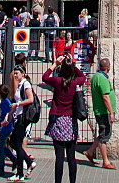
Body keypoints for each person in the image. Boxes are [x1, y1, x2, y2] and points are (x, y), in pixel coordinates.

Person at [42, 54, 85, 183]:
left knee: (59, 157)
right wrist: (73, 64)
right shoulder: (75, 82)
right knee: (71, 157)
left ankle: (58, 181)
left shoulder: (57, 81)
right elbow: (83, 77)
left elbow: (44, 77)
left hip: (57, 119)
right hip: (70, 120)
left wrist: (55, 64)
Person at [84, 57, 117, 170]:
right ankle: (105, 161)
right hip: (103, 112)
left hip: (99, 110)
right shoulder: (102, 79)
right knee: (104, 136)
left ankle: (90, 151)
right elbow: (105, 96)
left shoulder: (95, 77)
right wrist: (111, 112)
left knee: (102, 133)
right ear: (108, 67)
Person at [8, 65, 36, 182]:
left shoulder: (26, 84)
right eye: (14, 73)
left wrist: (17, 105)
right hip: (17, 116)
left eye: (17, 73)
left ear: (23, 73)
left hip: (23, 117)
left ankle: (20, 173)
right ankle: (29, 162)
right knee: (15, 143)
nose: (15, 75)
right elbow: (17, 102)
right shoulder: (20, 85)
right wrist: (9, 116)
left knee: (16, 143)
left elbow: (30, 99)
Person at [0, 84, 17, 178]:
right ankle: (13, 159)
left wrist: (5, 121)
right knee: (2, 147)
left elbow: (8, 113)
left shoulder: (4, 103)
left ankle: (1, 169)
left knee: (0, 149)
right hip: (7, 127)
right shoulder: (6, 101)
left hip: (5, 128)